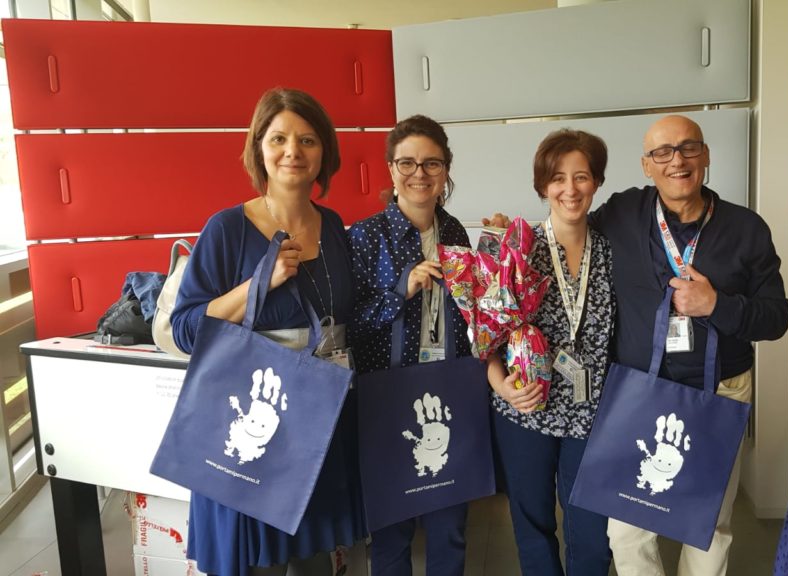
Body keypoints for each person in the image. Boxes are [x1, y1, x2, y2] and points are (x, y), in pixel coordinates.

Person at [485, 114, 788, 576]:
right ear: (646, 165)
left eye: (688, 148)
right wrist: (505, 242)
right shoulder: (622, 215)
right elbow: (497, 316)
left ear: (706, 155)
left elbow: (777, 317)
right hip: (635, 393)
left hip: (715, 390)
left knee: (707, 523)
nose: (676, 161)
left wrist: (717, 305)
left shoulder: (746, 229)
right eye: (661, 152)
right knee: (626, 531)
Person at [171, 88, 366, 576]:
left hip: (318, 424)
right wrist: (260, 281)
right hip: (254, 433)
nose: (292, 151)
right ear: (259, 148)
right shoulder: (226, 229)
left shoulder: (334, 226)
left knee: (315, 563)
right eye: (278, 138)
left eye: (307, 140)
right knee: (260, 566)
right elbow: (186, 329)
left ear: (324, 152)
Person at [348, 114, 472, 576]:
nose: (419, 173)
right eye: (407, 163)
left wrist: (497, 253)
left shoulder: (456, 233)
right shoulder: (363, 238)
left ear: (445, 170)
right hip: (386, 398)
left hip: (448, 393)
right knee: (391, 530)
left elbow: (470, 314)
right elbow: (347, 328)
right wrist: (400, 291)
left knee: (449, 527)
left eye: (431, 163)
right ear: (391, 169)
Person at [487, 129, 615, 576]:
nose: (570, 189)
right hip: (526, 407)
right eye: (558, 178)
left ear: (596, 181)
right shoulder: (517, 251)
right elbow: (486, 336)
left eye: (581, 176)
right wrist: (501, 386)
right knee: (532, 524)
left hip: (594, 410)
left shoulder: (614, 251)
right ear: (543, 186)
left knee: (592, 531)